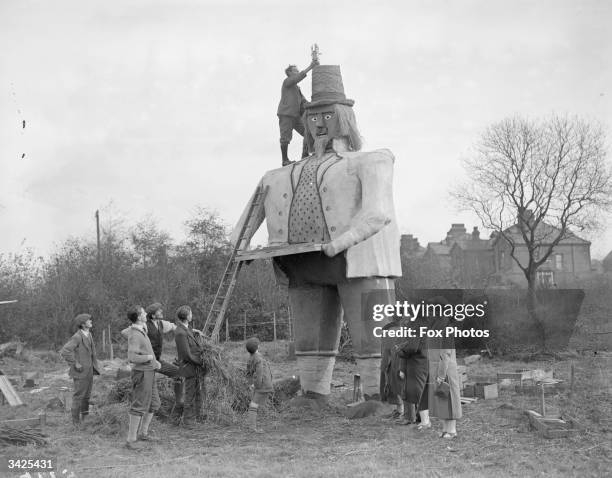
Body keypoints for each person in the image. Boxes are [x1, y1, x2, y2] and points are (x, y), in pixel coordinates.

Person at [232, 64, 401, 404]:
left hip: (357, 260)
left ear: (344, 118)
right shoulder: (277, 175)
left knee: (373, 335)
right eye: (312, 116)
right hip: (302, 263)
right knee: (309, 336)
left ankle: (380, 397)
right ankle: (313, 395)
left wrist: (338, 243)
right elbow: (249, 216)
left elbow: (377, 212)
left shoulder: (370, 161)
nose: (319, 123)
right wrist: (240, 246)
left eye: (327, 115)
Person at [122, 302, 184, 416]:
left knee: (179, 373)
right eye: (159, 311)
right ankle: (147, 412)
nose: (162, 312)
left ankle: (179, 402)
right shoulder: (143, 326)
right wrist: (141, 342)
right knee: (145, 399)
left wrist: (191, 332)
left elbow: (176, 327)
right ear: (153, 315)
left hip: (158, 361)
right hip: (147, 363)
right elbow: (125, 332)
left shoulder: (161, 324)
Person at [416, 297, 462, 438]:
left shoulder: (446, 328)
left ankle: (452, 431)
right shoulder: (437, 328)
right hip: (438, 369)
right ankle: (445, 429)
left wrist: (441, 375)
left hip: (446, 370)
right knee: (442, 400)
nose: (430, 314)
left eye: (433, 311)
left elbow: (445, 355)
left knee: (449, 401)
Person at [125, 305, 162, 450]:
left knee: (154, 404)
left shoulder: (142, 330)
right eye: (143, 312)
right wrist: (149, 358)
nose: (146, 313)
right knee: (139, 406)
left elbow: (145, 351)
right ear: (139, 316)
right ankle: (131, 440)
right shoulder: (135, 334)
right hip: (142, 373)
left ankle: (143, 433)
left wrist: (155, 362)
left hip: (150, 371)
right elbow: (132, 357)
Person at [60, 313, 100, 426]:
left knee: (86, 396)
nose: (91, 321)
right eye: (88, 320)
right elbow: (65, 351)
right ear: (83, 324)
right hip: (80, 372)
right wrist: (75, 363)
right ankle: (75, 423)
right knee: (78, 396)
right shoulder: (77, 337)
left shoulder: (89, 334)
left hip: (89, 371)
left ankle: (85, 419)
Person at [277, 59, 318, 166]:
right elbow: (298, 77)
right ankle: (285, 160)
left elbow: (303, 101)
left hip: (296, 115)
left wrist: (315, 105)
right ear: (290, 73)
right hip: (286, 114)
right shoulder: (287, 82)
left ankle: (305, 155)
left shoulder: (296, 87)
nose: (298, 72)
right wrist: (310, 66)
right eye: (295, 71)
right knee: (285, 137)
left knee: (307, 133)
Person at [174, 305, 207, 429]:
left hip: (195, 367)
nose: (192, 315)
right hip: (189, 367)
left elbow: (191, 333)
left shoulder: (187, 329)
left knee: (198, 392)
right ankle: (187, 421)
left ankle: (198, 417)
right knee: (190, 394)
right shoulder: (180, 333)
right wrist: (201, 361)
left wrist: (196, 332)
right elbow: (186, 354)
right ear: (187, 316)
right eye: (191, 313)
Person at [245, 337, 273, 433]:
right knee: (254, 405)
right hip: (263, 385)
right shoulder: (259, 358)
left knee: (254, 404)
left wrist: (250, 384)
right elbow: (260, 373)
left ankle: (251, 426)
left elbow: (248, 373)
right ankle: (252, 428)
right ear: (257, 347)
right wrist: (256, 385)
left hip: (260, 385)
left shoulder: (250, 358)